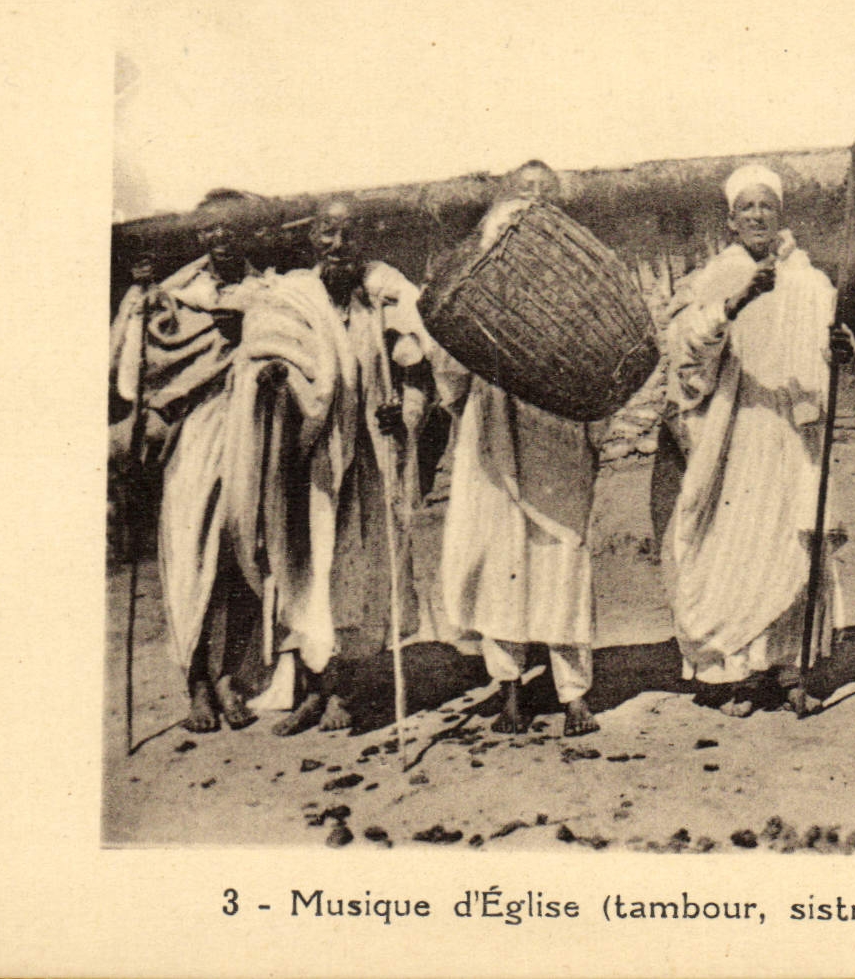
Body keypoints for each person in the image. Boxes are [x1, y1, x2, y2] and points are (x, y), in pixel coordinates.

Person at [219, 199, 438, 734]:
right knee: (305, 572)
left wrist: (404, 411)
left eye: (347, 234)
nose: (337, 245)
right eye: (326, 233)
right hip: (307, 462)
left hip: (366, 461)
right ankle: (314, 691)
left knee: (355, 575)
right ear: (312, 238)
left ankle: (344, 692)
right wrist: (274, 381)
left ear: (363, 239)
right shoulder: (292, 298)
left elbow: (417, 367)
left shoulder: (381, 298)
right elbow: (264, 349)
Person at [666, 164, 855, 717]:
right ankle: (739, 674)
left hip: (792, 433)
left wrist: (840, 351)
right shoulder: (714, 278)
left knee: (791, 548)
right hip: (735, 432)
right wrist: (735, 303)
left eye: (765, 207)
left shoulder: (810, 281)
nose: (756, 217)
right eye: (746, 209)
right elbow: (684, 350)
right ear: (730, 221)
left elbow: (830, 349)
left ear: (779, 216)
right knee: (735, 547)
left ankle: (789, 668)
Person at [432, 160, 603, 737]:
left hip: (555, 431)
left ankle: (574, 692)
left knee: (561, 552)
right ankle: (509, 690)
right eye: (523, 194)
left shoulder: (579, 276)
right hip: (493, 431)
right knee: (501, 556)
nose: (532, 205)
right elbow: (449, 363)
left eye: (544, 196)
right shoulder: (478, 272)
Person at [110, 228, 262, 731]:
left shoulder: (267, 290)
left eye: (232, 228)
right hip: (194, 436)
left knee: (244, 554)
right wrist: (139, 302)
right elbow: (138, 372)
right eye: (212, 231)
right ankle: (195, 683)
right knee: (192, 555)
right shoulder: (176, 297)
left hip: (252, 430)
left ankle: (229, 678)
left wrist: (251, 333)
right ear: (202, 236)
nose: (223, 239)